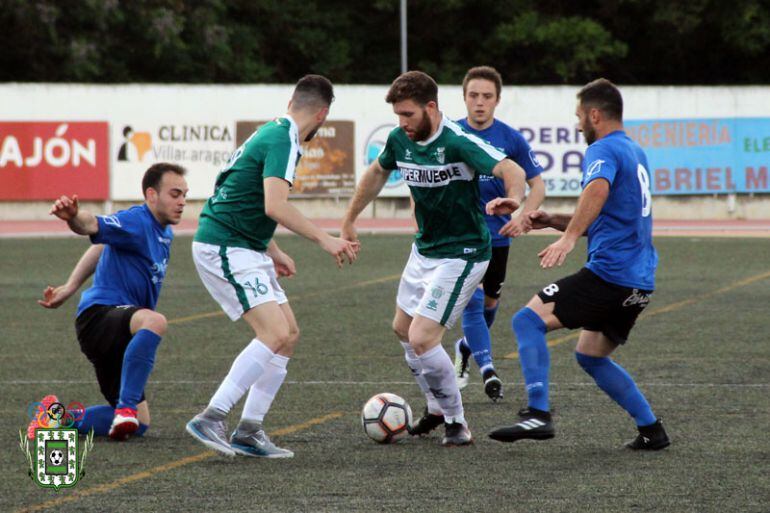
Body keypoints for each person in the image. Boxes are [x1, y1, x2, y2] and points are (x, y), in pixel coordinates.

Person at [341, 71, 527, 446]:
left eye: (408, 114)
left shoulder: (459, 142)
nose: (402, 123)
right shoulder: (399, 140)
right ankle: (435, 407)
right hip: (425, 248)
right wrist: (349, 220)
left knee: (423, 337)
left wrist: (514, 199)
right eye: (397, 115)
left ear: (430, 107)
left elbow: (513, 170)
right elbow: (378, 172)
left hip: (465, 252)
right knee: (401, 329)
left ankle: (457, 421)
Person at [488, 78, 670, 450]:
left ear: (595, 115)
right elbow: (613, 215)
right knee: (591, 355)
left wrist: (568, 238)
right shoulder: (636, 152)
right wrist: (556, 220)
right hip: (639, 282)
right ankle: (652, 429)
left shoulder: (602, 149)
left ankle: (538, 414)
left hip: (611, 275)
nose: (577, 126)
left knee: (526, 320)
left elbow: (597, 190)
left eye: (579, 118)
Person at [186, 75, 359, 458]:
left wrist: (273, 249)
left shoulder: (274, 132)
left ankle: (249, 430)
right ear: (323, 114)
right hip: (225, 246)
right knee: (274, 332)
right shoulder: (284, 139)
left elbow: (242, 197)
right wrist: (325, 239)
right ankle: (212, 416)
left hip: (244, 244)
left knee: (289, 333)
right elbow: (274, 206)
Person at [33, 163, 189, 441]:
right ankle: (125, 408)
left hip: (119, 332)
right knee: (155, 321)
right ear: (151, 195)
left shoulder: (164, 232)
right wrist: (73, 217)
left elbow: (103, 244)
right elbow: (92, 225)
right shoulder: (137, 220)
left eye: (184, 195)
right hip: (100, 316)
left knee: (140, 424)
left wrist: (70, 287)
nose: (182, 202)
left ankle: (55, 419)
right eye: (175, 194)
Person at [453, 66, 545, 401]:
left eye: (486, 96)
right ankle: (488, 370)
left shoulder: (510, 139)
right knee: (474, 301)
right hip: (461, 237)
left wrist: (522, 216)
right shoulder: (450, 134)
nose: (479, 103)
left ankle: (466, 348)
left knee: (491, 302)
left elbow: (537, 184)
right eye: (473, 95)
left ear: (497, 100)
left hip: (499, 236)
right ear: (464, 98)